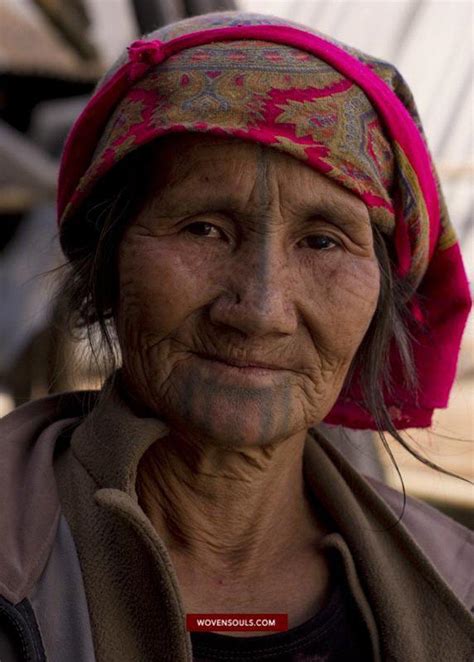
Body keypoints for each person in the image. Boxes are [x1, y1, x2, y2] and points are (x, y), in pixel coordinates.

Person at [0, 11, 472, 662]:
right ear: (105, 263)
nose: (260, 309)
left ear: (382, 299)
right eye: (203, 228)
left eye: (322, 242)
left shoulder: (456, 594)